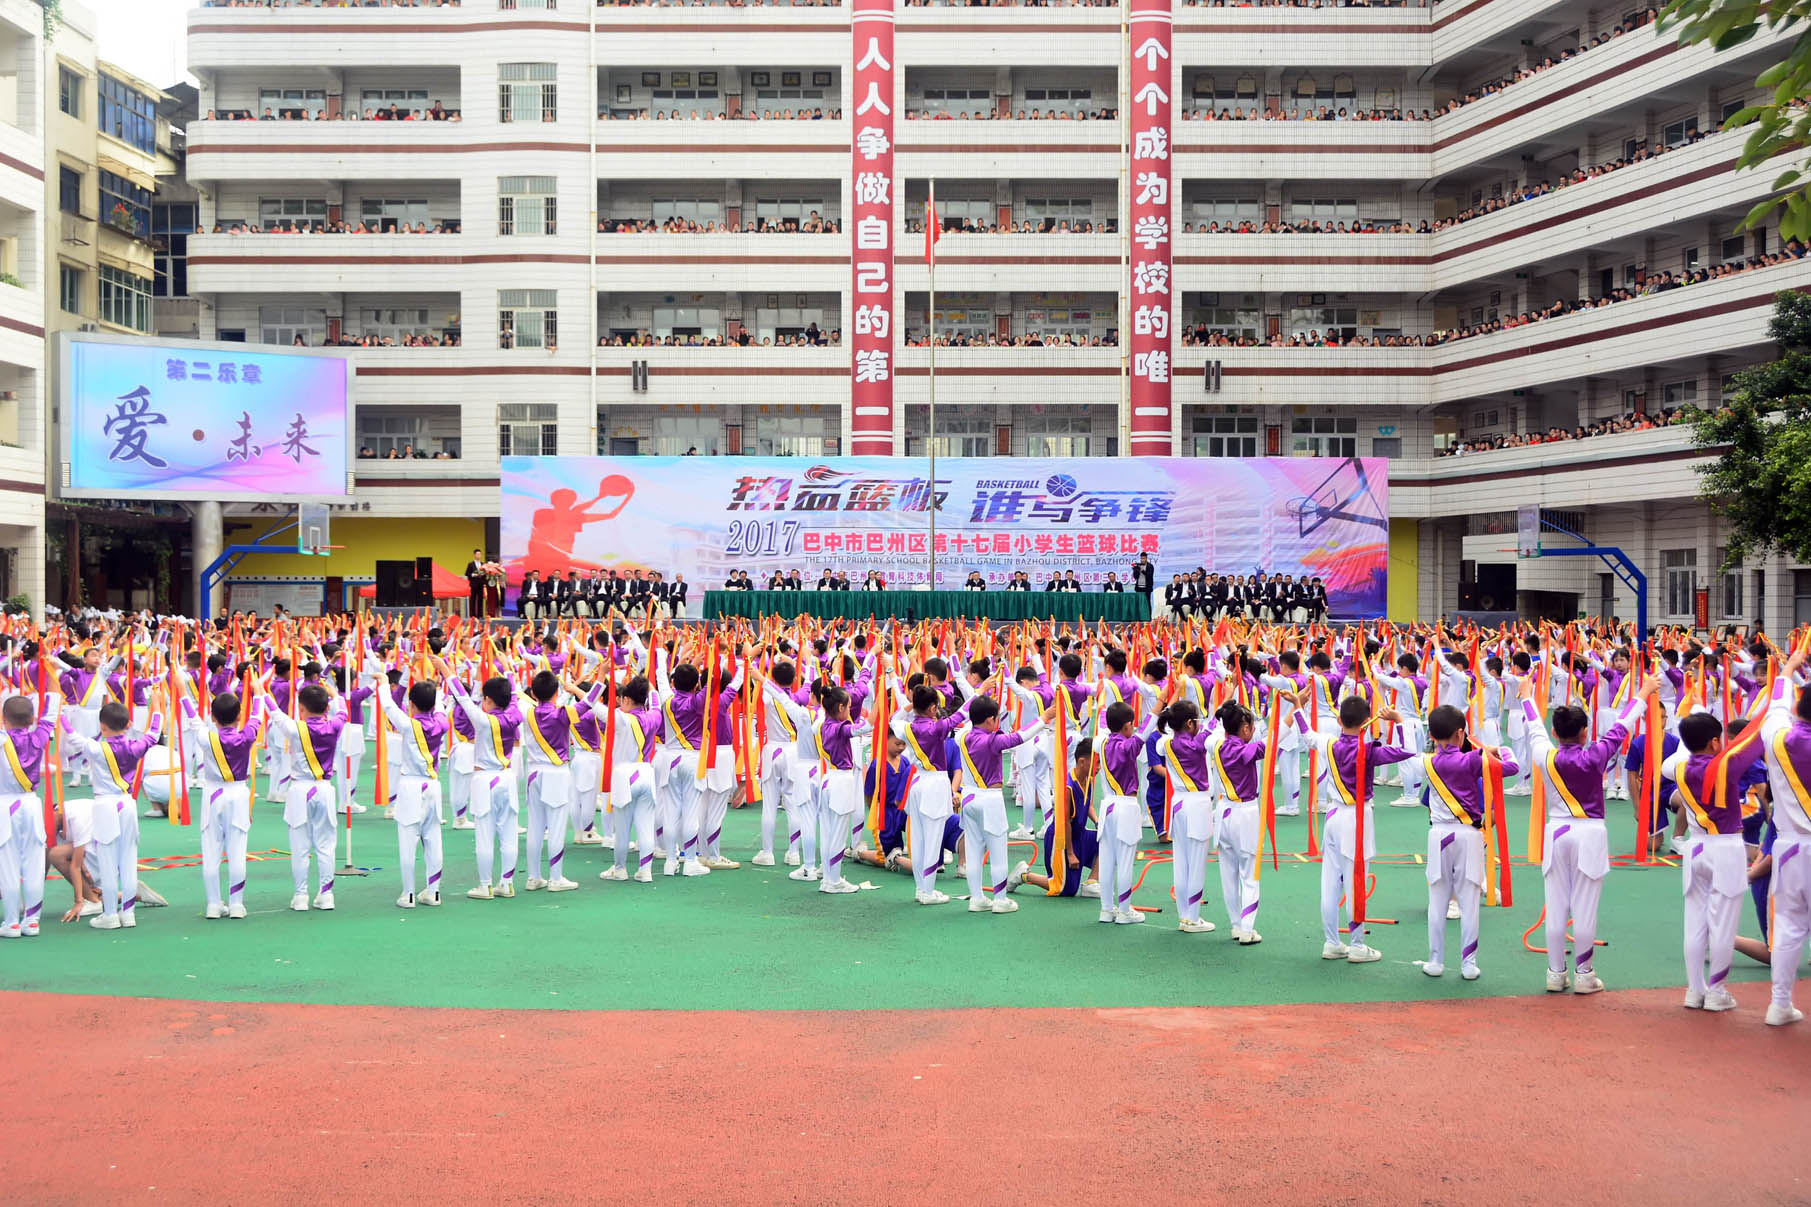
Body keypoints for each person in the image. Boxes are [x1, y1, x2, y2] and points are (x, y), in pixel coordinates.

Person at [1519, 668, 1655, 994]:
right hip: (1590, 833)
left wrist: (1526, 696)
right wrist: (1645, 691)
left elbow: (1534, 727)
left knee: (1556, 905)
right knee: (1585, 907)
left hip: (1557, 832)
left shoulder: (1544, 754)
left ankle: (1555, 973)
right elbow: (1622, 726)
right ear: (1585, 732)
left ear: (1556, 731)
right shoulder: (1596, 752)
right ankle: (1584, 973)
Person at [1293, 691, 1412, 963]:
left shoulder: (1329, 743)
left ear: (1338, 719)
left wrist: (1299, 706)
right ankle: (1357, 945)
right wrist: (1399, 720)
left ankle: (1332, 942)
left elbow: (1307, 735)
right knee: (1356, 881)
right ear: (1368, 720)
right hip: (1357, 818)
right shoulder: (1368, 750)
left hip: (1334, 817)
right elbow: (1406, 751)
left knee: (1330, 882)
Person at [1665, 707, 1767, 1013]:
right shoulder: (1726, 767)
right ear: (1713, 742)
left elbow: (1670, 764)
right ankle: (1717, 991)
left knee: (1695, 923)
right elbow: (1756, 741)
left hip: (1695, 848)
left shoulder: (1679, 768)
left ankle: (1694, 990)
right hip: (1725, 849)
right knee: (1722, 924)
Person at [1418, 704, 1519, 980]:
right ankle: (1468, 963)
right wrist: (1495, 749)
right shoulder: (1475, 760)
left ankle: (1435, 960)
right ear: (1461, 734)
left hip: (1437, 834)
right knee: (1469, 899)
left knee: (1437, 899)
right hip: (1469, 835)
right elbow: (1513, 766)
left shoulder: (1426, 762)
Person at [956, 693, 1050, 913]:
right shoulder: (991, 740)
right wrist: (1043, 719)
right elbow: (1019, 737)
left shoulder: (962, 735)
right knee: (998, 851)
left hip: (968, 797)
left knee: (973, 851)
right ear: (990, 719)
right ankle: (1000, 899)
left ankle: (977, 898)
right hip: (989, 799)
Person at [260, 678, 347, 912]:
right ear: (327, 708)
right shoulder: (335, 724)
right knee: (326, 845)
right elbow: (344, 710)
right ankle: (326, 894)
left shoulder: (294, 727)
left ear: (301, 708)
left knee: (299, 846)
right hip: (325, 789)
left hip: (299, 790)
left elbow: (274, 711)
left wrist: (260, 691)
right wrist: (334, 692)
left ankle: (301, 896)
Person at [1757, 646, 1811, 1025]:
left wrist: (1787, 669)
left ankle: (1779, 1004)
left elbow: (1776, 702)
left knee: (1790, 926)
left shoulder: (1776, 735)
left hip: (1789, 847)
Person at [180, 687, 262, 920]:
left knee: (211, 851)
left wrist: (182, 691)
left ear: (213, 718)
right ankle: (236, 904)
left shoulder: (206, 736)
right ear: (239, 717)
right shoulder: (247, 735)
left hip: (213, 794)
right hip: (237, 794)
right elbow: (257, 716)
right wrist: (257, 694)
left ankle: (213, 904)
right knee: (237, 851)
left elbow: (193, 719)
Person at [378, 674, 449, 908]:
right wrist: (433, 690)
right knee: (433, 839)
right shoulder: (441, 722)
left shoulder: (408, 724)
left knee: (408, 842)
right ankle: (434, 891)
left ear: (411, 704)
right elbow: (438, 707)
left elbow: (388, 705)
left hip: (410, 786)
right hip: (433, 785)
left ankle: (408, 893)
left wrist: (382, 682)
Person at [0, 691, 60, 937]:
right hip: (31, 804)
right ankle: (32, 920)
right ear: (31, 718)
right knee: (34, 863)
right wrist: (52, 682)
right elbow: (51, 713)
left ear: (4, 719)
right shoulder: (39, 737)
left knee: (8, 865)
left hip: (5, 805)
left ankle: (12, 922)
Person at [466, 548, 488, 618]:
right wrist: (474, 574)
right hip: (474, 584)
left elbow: (485, 574)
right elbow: (467, 573)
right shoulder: (471, 564)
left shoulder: (483, 564)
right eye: (477, 554)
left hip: (481, 583)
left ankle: (480, 615)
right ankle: (473, 615)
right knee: (473, 599)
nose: (479, 555)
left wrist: (483, 575)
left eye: (480, 554)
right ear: (474, 555)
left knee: (480, 599)